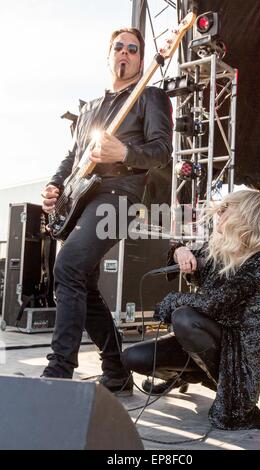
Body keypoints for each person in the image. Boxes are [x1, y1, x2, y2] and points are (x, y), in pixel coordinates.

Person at [40, 27, 173, 395]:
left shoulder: (150, 97)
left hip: (119, 196)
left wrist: (126, 154)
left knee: (67, 266)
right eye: (120, 47)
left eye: (134, 49)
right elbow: (73, 156)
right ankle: (116, 372)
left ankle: (58, 374)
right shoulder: (89, 109)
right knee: (82, 281)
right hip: (82, 196)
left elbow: (163, 152)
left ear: (142, 60)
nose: (126, 53)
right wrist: (55, 185)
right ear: (109, 54)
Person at [123, 189, 260, 429]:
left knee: (184, 318)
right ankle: (187, 374)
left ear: (246, 217)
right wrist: (180, 251)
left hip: (237, 354)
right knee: (132, 357)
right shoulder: (219, 252)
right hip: (207, 340)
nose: (219, 215)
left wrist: (172, 301)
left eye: (224, 210)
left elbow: (216, 304)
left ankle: (222, 386)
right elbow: (183, 254)